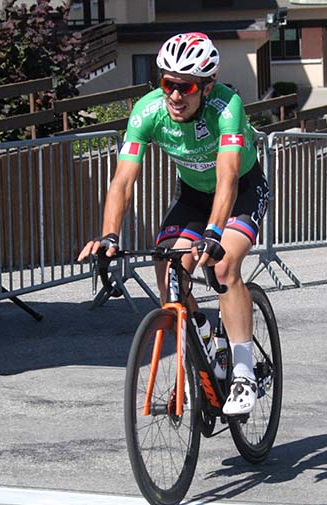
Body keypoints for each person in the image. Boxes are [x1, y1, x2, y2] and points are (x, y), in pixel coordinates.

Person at [78, 32, 271, 415]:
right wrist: (109, 235)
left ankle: (244, 373)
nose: (176, 96)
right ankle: (205, 334)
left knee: (223, 267)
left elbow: (228, 177)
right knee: (168, 272)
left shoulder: (227, 107)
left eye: (187, 87)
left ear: (207, 86)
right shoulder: (148, 111)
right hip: (193, 195)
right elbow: (123, 180)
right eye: (168, 84)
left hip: (241, 191)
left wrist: (214, 233)